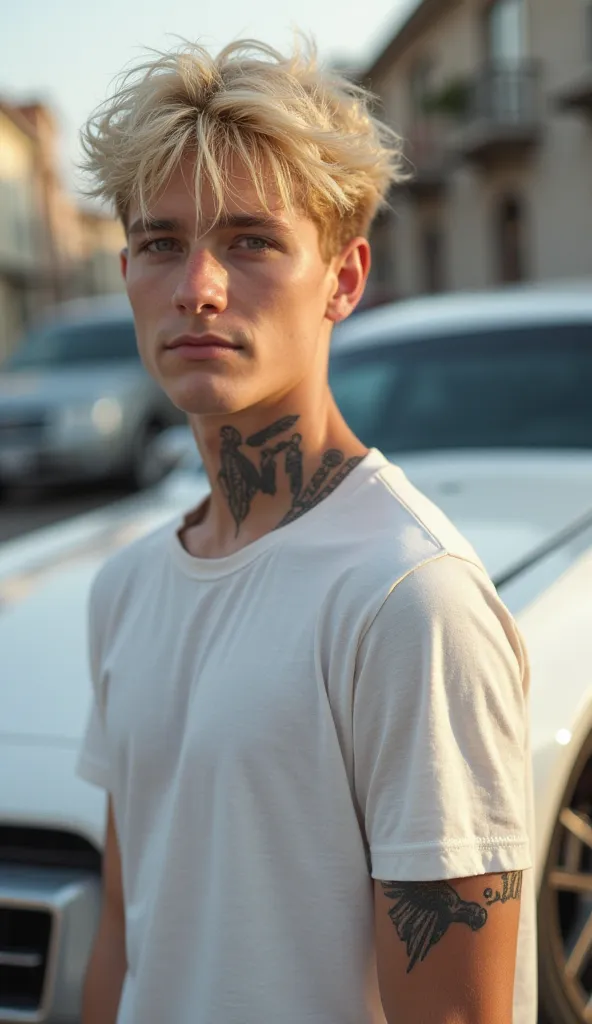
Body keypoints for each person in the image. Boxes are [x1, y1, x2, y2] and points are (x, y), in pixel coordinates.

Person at [76, 36, 536, 1024]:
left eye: (250, 240)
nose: (196, 285)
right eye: (161, 242)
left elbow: (456, 1014)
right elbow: (126, 931)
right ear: (125, 272)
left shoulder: (410, 599)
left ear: (344, 275)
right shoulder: (123, 588)